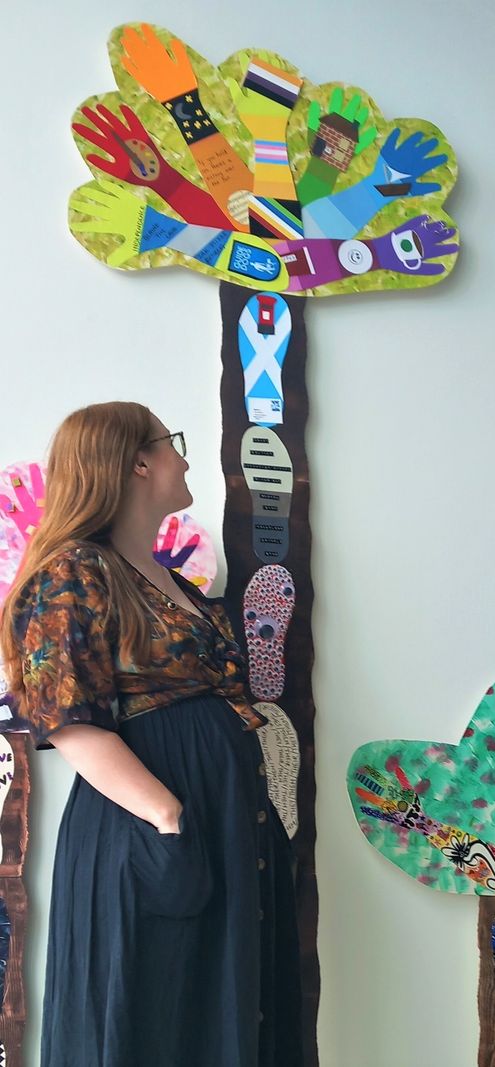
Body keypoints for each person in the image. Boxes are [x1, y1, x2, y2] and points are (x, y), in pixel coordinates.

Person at [0, 402, 302, 1067]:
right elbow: (70, 723)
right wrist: (166, 816)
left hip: (222, 828)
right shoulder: (72, 573)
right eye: (174, 445)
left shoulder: (176, 582)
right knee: (151, 1017)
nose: (186, 458)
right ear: (137, 462)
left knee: (225, 1020)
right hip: (149, 833)